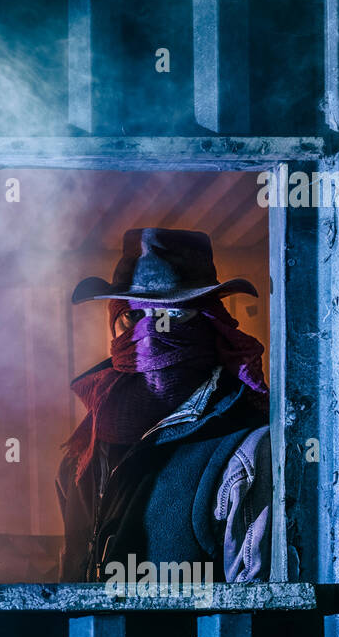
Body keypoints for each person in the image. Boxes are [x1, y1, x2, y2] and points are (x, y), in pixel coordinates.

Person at [56, 228, 276, 584]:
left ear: (210, 324)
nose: (151, 332)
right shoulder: (84, 455)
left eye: (174, 316)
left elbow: (253, 615)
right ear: (114, 324)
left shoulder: (245, 451)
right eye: (133, 317)